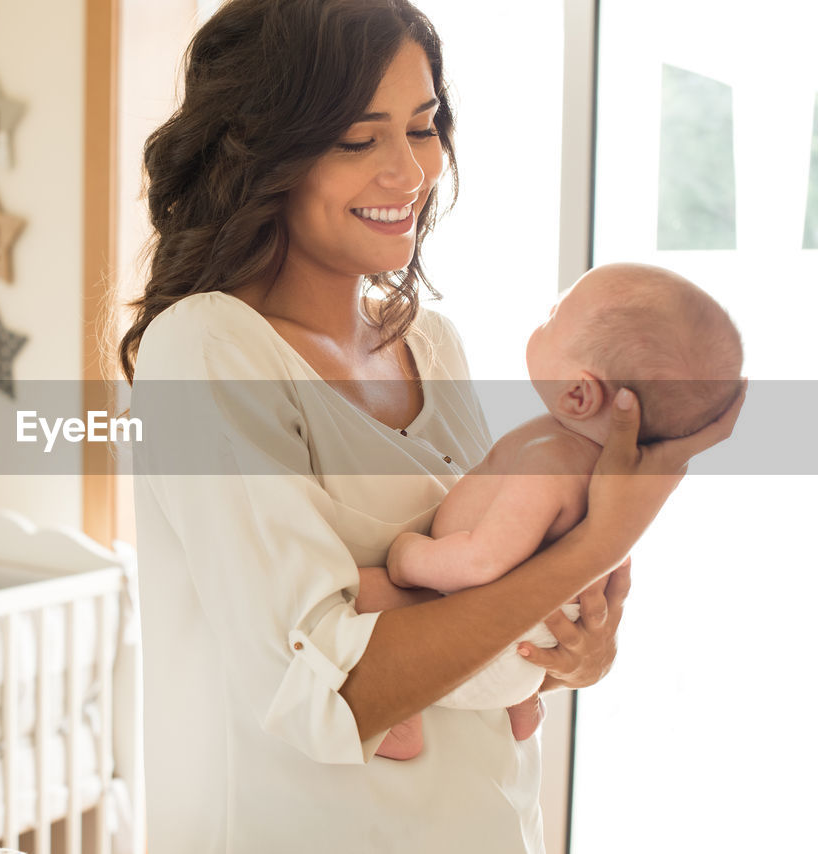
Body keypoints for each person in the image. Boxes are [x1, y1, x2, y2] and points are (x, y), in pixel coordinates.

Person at [118, 1, 745, 851]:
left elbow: (487, 615)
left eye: (423, 126)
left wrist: (572, 654)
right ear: (263, 152)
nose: (410, 172)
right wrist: (596, 544)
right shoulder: (208, 349)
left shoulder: (430, 344)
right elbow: (327, 693)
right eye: (356, 139)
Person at [357, 262, 744, 761]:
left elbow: (481, 563)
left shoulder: (552, 464)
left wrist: (408, 557)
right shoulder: (584, 457)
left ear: (580, 393)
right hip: (519, 642)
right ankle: (521, 701)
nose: (545, 315)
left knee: (365, 592)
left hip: (490, 648)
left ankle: (402, 721)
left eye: (555, 314)